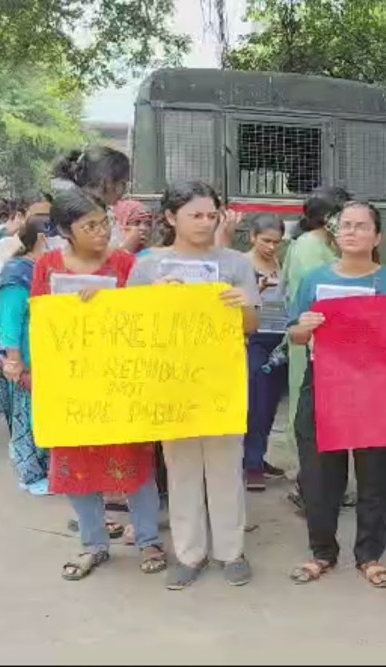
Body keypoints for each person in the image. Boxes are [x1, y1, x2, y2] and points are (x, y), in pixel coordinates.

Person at [28, 187, 167, 581]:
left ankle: (148, 538)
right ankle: (93, 542)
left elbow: (143, 320)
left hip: (120, 379)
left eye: (104, 223)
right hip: (70, 380)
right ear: (66, 231)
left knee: (134, 458)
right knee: (76, 462)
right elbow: (40, 318)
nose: (101, 231)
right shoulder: (49, 265)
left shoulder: (127, 264)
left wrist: (112, 303)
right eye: (90, 226)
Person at [128, 180, 258, 590]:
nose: (205, 223)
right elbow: (131, 328)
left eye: (211, 215)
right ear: (170, 218)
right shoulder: (148, 266)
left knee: (224, 466)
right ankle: (188, 553)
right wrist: (154, 299)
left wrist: (240, 308)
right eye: (195, 215)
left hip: (221, 378)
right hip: (172, 381)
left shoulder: (236, 263)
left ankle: (231, 551)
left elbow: (251, 328)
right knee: (181, 467)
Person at [287, 201, 386, 588]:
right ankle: (322, 551)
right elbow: (293, 335)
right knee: (320, 475)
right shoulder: (314, 279)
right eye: (345, 226)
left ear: (377, 236)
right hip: (324, 383)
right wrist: (304, 328)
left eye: (361, 226)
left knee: (376, 474)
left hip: (378, 389)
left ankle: (370, 554)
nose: (351, 232)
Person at [282, 186, 348, 511]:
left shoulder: (326, 244)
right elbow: (317, 293)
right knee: (307, 410)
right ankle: (307, 485)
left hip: (334, 342)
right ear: (327, 217)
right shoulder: (309, 246)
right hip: (309, 338)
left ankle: (322, 484)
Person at [0, 216, 50, 495]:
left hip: (48, 355)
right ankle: (32, 474)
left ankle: (48, 470)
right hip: (26, 356)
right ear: (42, 240)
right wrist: (14, 360)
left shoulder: (48, 269)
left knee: (45, 416)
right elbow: (10, 321)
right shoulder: (18, 273)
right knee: (27, 417)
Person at [241, 214, 289, 491]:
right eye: (266, 241)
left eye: (276, 242)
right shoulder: (243, 265)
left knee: (271, 403)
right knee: (255, 402)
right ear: (252, 237)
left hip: (279, 336)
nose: (271, 247)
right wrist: (254, 292)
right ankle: (252, 464)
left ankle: (259, 456)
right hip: (254, 338)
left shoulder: (279, 263)